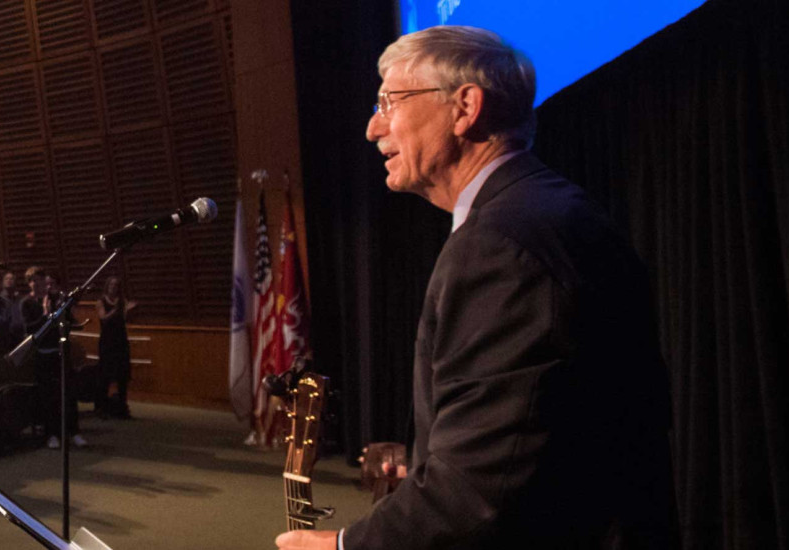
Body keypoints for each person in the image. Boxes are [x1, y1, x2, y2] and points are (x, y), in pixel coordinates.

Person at [276, 26, 676, 550]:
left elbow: (481, 486)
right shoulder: (548, 211)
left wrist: (345, 546)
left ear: (464, 107)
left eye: (388, 102)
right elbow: (542, 426)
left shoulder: (500, 243)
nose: (374, 128)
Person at [20, 267, 87, 449]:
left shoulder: (56, 299)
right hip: (42, 354)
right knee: (48, 397)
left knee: (68, 394)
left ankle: (74, 431)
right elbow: (30, 329)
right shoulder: (27, 303)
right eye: (32, 280)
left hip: (60, 351)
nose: (36, 283)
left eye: (39, 280)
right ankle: (52, 434)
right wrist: (45, 315)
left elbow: (69, 321)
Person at [95, 276, 136, 419]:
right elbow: (103, 319)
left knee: (122, 374)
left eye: (116, 285)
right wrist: (116, 309)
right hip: (107, 341)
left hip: (120, 340)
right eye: (111, 285)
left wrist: (128, 310)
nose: (114, 287)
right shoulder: (101, 302)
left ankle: (122, 406)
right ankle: (102, 407)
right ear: (107, 286)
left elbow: (125, 320)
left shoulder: (122, 300)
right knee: (105, 374)